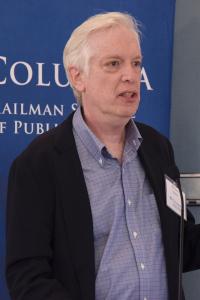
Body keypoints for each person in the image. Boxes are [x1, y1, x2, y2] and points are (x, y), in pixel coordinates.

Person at [6, 12, 200, 300]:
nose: (131, 75)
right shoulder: (39, 164)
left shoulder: (158, 148)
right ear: (77, 76)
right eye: (113, 64)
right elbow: (27, 277)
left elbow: (179, 246)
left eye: (136, 63)